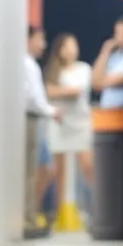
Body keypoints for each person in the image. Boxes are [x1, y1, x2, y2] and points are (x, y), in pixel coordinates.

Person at [44, 33, 94, 221]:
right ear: (59, 50)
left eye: (74, 45)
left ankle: (97, 208)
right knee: (58, 171)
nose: (72, 49)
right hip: (59, 123)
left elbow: (75, 92)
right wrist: (57, 92)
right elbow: (47, 92)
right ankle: (60, 213)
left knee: (88, 166)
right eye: (67, 46)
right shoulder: (53, 71)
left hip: (81, 122)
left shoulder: (84, 69)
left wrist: (57, 92)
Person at [24, 26, 61, 226]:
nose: (43, 44)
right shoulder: (26, 64)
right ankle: (26, 217)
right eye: (40, 38)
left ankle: (29, 214)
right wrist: (50, 111)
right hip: (29, 118)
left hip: (34, 119)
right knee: (30, 171)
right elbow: (31, 98)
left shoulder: (29, 63)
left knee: (36, 170)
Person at [93, 13, 123, 109]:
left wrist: (102, 81)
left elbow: (102, 82)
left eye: (121, 33)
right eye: (116, 33)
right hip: (108, 112)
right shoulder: (115, 55)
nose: (116, 37)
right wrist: (105, 51)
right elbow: (95, 83)